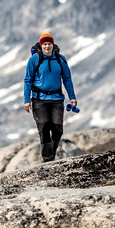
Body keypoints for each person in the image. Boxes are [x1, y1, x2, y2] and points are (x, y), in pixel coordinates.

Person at [23, 32, 77, 162]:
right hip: (39, 99)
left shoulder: (60, 59)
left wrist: (72, 97)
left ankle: (50, 154)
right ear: (41, 46)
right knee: (44, 126)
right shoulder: (34, 60)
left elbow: (67, 79)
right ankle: (48, 159)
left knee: (57, 129)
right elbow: (28, 80)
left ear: (53, 44)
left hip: (57, 99)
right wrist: (26, 100)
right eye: (45, 44)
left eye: (49, 44)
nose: (47, 47)